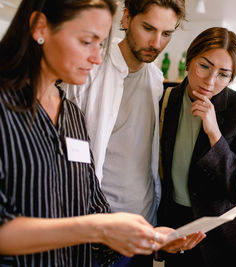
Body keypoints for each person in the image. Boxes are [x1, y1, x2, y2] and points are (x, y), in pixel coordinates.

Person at [0, 0, 189, 266]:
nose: (97, 58)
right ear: (40, 27)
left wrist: (146, 235)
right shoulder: (6, 109)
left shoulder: (72, 117)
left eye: (100, 43)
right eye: (87, 41)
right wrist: (97, 228)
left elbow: (93, 205)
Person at [65, 0, 205, 266]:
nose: (156, 42)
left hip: (143, 225)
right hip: (97, 227)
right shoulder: (89, 71)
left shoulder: (154, 79)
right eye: (148, 28)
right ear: (127, 18)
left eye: (167, 34)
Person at [158, 27, 236, 267]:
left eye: (223, 74)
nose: (211, 80)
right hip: (179, 230)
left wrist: (215, 134)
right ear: (189, 59)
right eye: (204, 66)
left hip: (224, 238)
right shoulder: (167, 99)